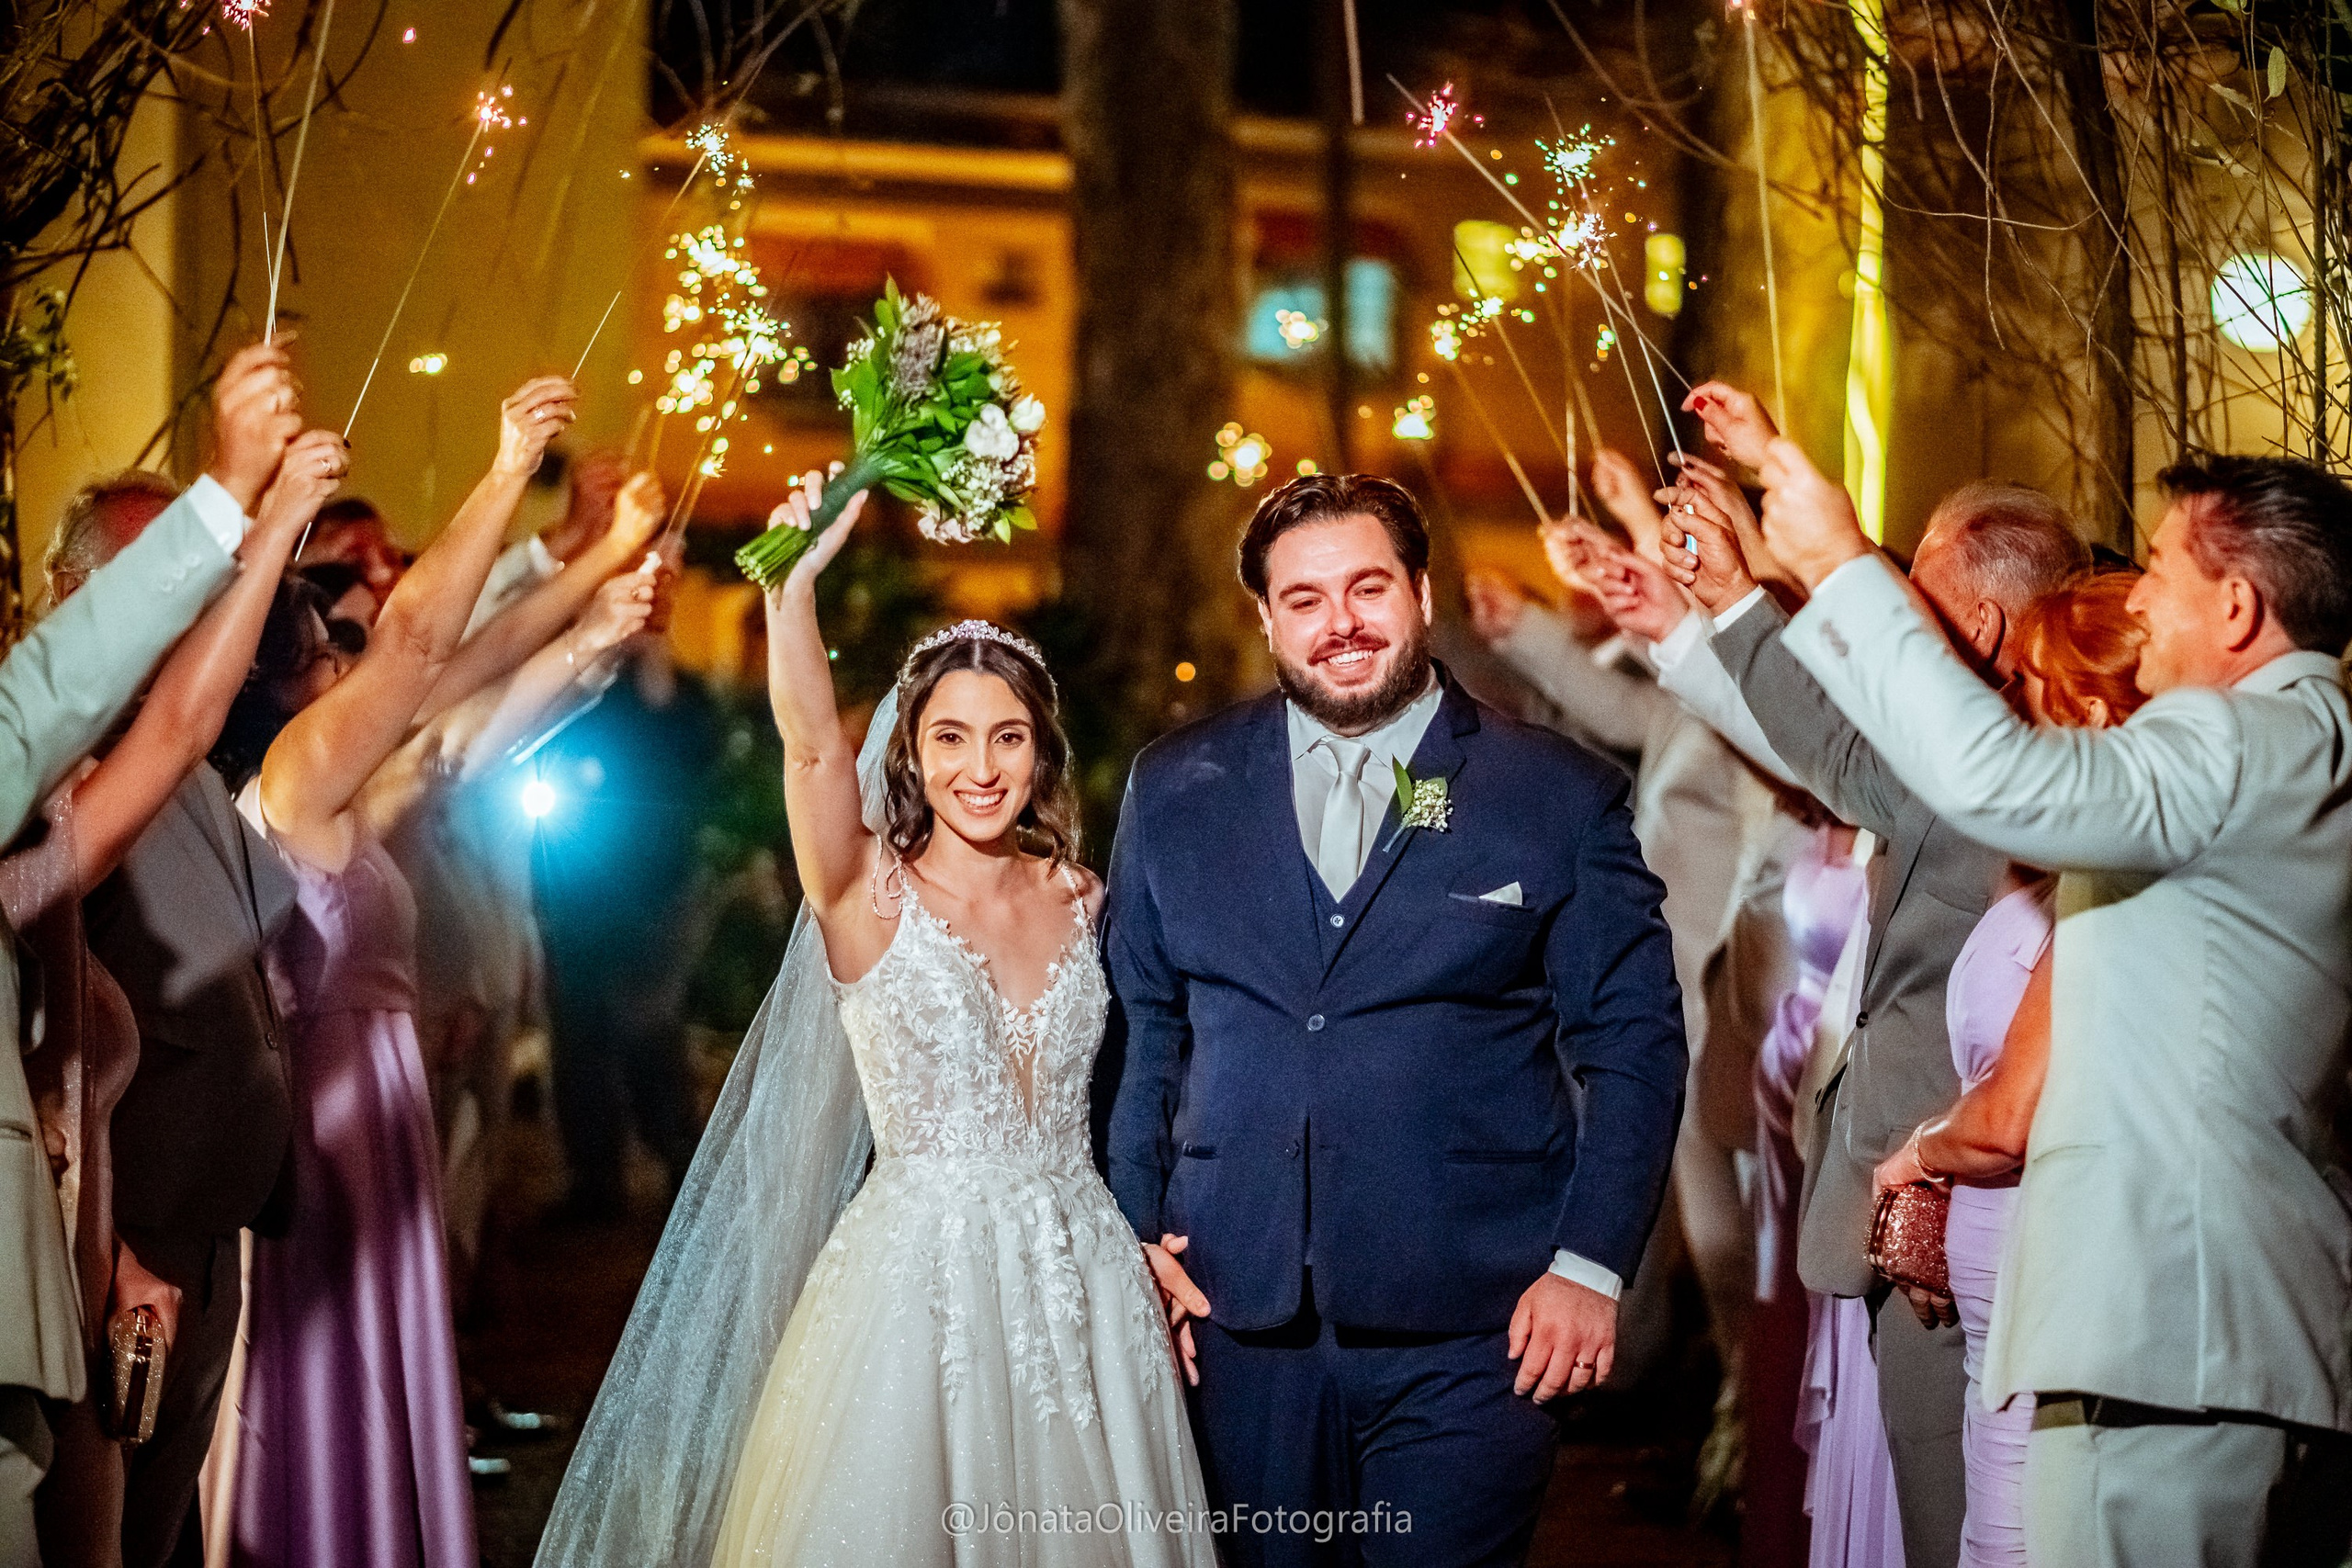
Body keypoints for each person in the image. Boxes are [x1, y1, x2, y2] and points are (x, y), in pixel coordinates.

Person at [535, 469, 1216, 1568]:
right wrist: (790, 584)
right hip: (915, 1286)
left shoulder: (1086, 899)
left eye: (1005, 738)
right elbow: (810, 748)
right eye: (949, 738)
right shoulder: (864, 895)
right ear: (910, 751)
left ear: (1041, 751)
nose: (979, 768)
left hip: (1081, 1272)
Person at [1731, 432, 2352, 1567]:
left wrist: (1836, 566)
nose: (2134, 595)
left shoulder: (2225, 737)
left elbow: (1998, 782)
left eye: (2161, 569)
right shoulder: (2320, 743)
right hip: (2253, 1332)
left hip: (2159, 1345)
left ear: (2236, 608)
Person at [1102, 472, 1688, 1566]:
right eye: (1306, 599)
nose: (1341, 625)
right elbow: (1141, 1031)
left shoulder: (1550, 795)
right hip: (1235, 1322)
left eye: (1367, 588)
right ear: (1266, 619)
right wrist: (1131, 1235)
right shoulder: (1176, 787)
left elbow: (1634, 1044)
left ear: (1420, 593)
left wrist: (1592, 1265)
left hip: (1477, 1332)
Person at [1654, 383, 2088, 1568]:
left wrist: (1755, 592)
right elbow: (1842, 749)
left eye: (1919, 602)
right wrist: (1733, 602)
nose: (1891, 627)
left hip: (1950, 1222)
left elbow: (1839, 753)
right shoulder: (1978, 767)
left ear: (1988, 628)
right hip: (1905, 1214)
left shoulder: (2011, 779)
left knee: (1963, 1528)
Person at [209, 375, 624, 1568]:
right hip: (329, 1131)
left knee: (377, 1381)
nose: (366, 679)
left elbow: (463, 715)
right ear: (297, 679)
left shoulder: (340, 793)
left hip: (367, 1121)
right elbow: (426, 645)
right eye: (337, 659)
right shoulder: (292, 780)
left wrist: (595, 610)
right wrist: (506, 471)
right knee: (319, 1387)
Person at [13, 430, 343, 1567]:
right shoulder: (62, 791)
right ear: (72, 600)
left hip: (172, 1242)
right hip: (79, 1259)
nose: (183, 609)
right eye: (163, 581)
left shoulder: (176, 772)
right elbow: (53, 1074)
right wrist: (106, 1266)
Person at [1465, 447, 1784, 1405]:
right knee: (1705, 1227)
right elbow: (1632, 707)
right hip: (1676, 981)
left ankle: (1746, 1431)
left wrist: (1635, 535)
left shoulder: (1766, 690)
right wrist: (1523, 629)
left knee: (1736, 1239)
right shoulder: (1708, 684)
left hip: (1738, 981)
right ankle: (1733, 1428)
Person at [1864, 571, 2147, 1568]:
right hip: (1995, 1322)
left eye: (2030, 688)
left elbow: (2014, 1115)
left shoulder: (2121, 878)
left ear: (2092, 707)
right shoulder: (2048, 862)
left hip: (2063, 1294)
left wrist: (1920, 1156)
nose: (2014, 710)